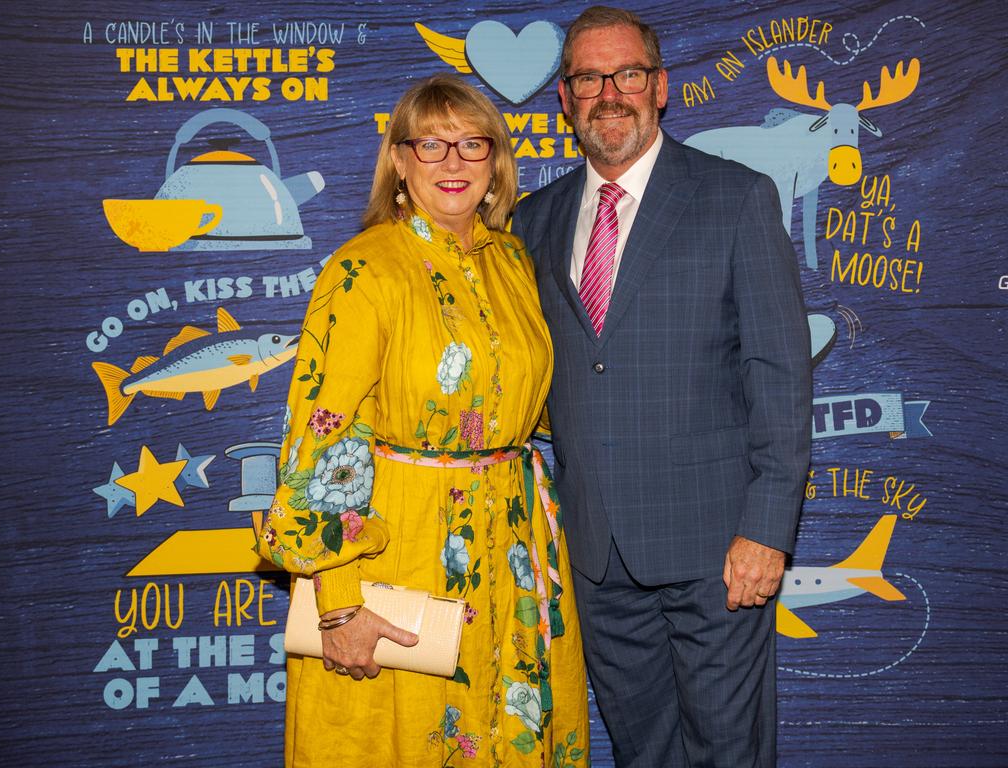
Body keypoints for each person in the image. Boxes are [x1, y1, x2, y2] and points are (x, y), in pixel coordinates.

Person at [254, 74, 589, 768]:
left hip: (516, 547)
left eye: (473, 144)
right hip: (399, 552)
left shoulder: (512, 262)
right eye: (431, 144)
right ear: (399, 161)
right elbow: (322, 440)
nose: (453, 162)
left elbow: (541, 406)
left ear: (497, 162)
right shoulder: (363, 270)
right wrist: (339, 604)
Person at [511, 6, 812, 767]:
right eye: (588, 77)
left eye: (628, 74)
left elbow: (779, 375)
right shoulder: (531, 223)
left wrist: (768, 529)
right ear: (566, 98)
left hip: (719, 550)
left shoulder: (735, 198)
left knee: (728, 752)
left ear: (662, 87)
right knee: (644, 753)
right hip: (596, 555)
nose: (609, 92)